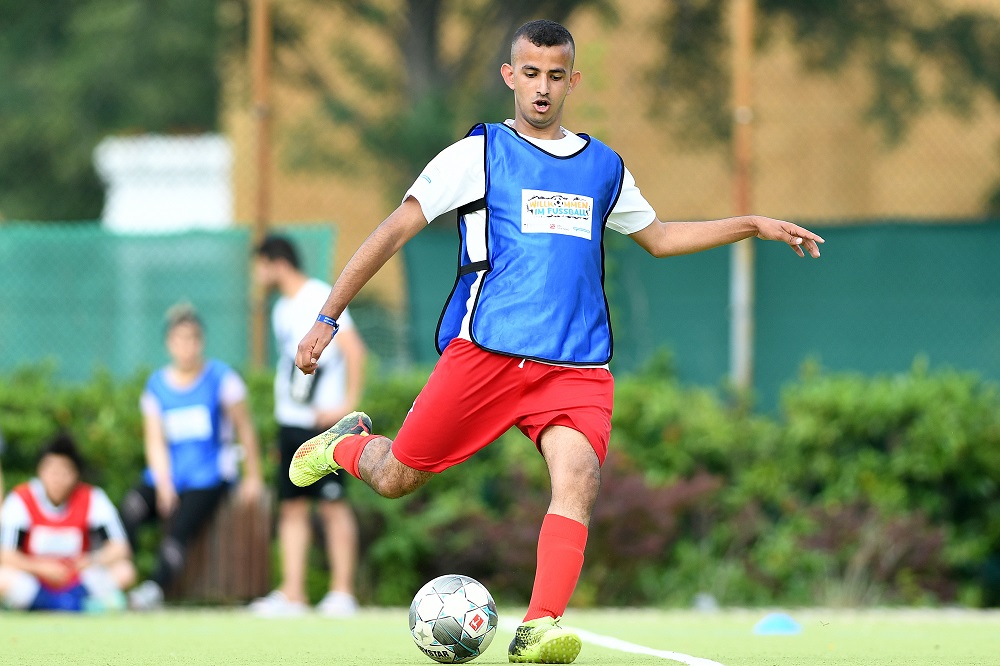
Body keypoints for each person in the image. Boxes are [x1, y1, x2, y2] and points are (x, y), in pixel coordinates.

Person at [289, 19, 824, 664]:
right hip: (489, 354)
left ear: (573, 80)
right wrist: (328, 315)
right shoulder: (478, 153)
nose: (543, 89)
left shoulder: (603, 167)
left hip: (576, 365)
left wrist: (746, 224)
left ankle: (540, 626)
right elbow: (395, 229)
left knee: (579, 476)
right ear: (509, 76)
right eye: (531, 74)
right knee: (398, 475)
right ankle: (349, 443)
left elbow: (657, 237)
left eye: (556, 75)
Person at [249, 235, 367, 617]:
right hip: (291, 423)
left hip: (325, 426)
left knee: (332, 505)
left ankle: (342, 593)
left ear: (276, 263)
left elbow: (353, 350)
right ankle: (293, 594)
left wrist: (346, 405)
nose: (257, 275)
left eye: (259, 266)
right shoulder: (281, 309)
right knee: (292, 507)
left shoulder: (320, 296)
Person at [121, 303, 264, 610]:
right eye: (179, 339)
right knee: (130, 509)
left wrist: (253, 477)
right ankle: (119, 577)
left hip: (209, 476)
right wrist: (163, 483)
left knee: (180, 528)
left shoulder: (222, 378)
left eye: (192, 338)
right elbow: (155, 441)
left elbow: (246, 430)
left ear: (201, 342)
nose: (186, 346)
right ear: (168, 343)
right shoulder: (156, 386)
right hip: (170, 475)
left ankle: (154, 590)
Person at [0, 434, 135, 612]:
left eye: (64, 472)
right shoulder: (21, 499)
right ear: (40, 471)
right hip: (36, 582)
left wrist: (91, 560)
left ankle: (74, 604)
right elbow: (6, 555)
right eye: (52, 471)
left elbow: (120, 548)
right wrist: (40, 568)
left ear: (75, 474)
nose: (57, 479)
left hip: (78, 582)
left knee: (125, 571)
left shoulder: (93, 498)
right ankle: (72, 607)